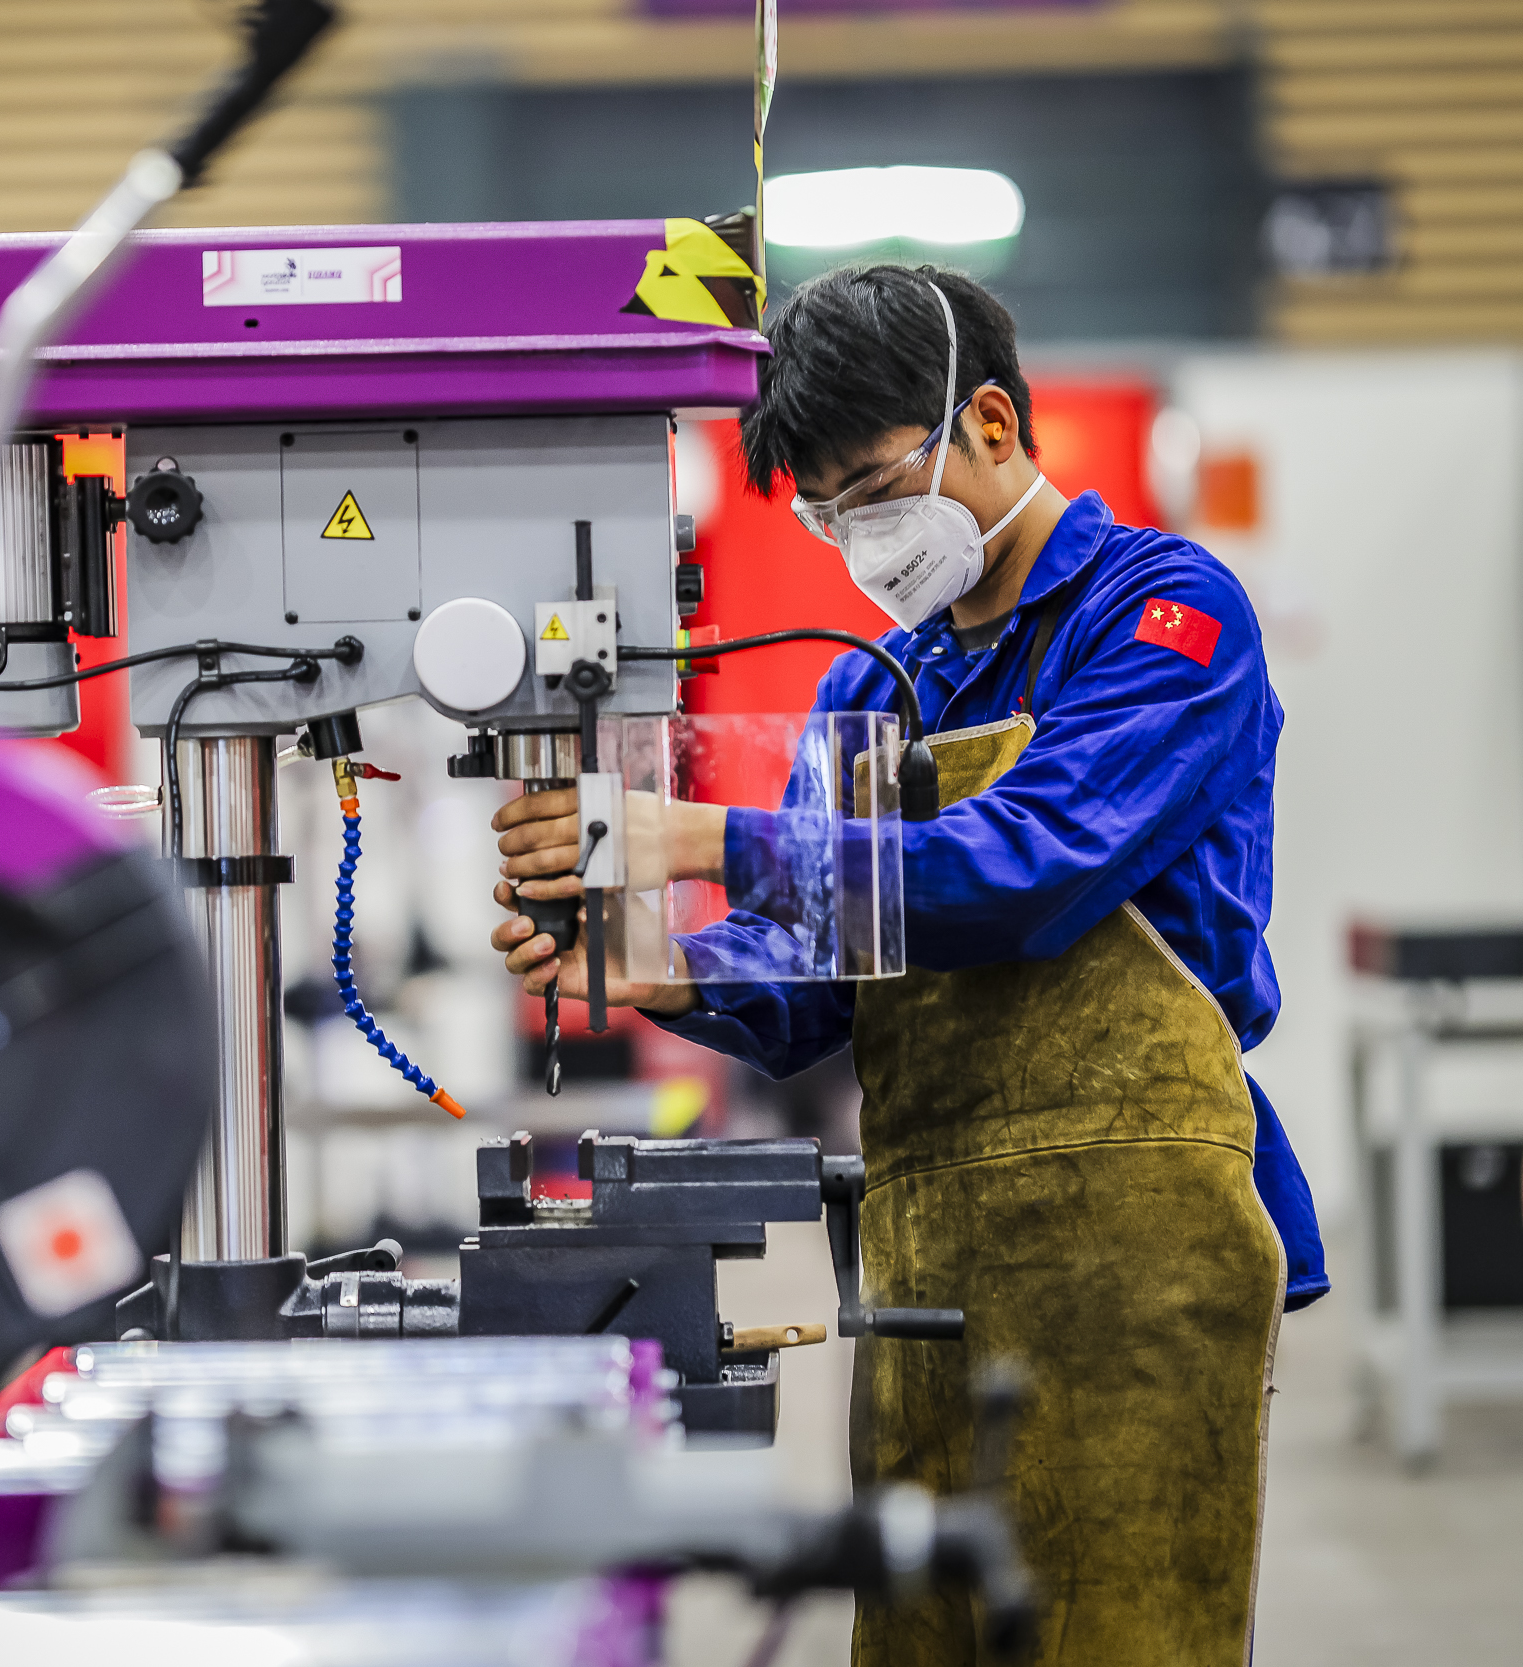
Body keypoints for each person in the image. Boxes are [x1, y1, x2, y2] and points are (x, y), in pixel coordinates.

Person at [490, 264, 1325, 1666]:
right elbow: (825, 971)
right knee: (923, 1632)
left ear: (990, 423)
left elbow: (1025, 871)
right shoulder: (871, 686)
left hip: (1136, 1234)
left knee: (1118, 1633)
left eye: (875, 493)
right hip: (931, 1240)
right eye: (825, 516)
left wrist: (689, 832)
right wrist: (660, 975)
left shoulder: (1165, 616)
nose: (857, 541)